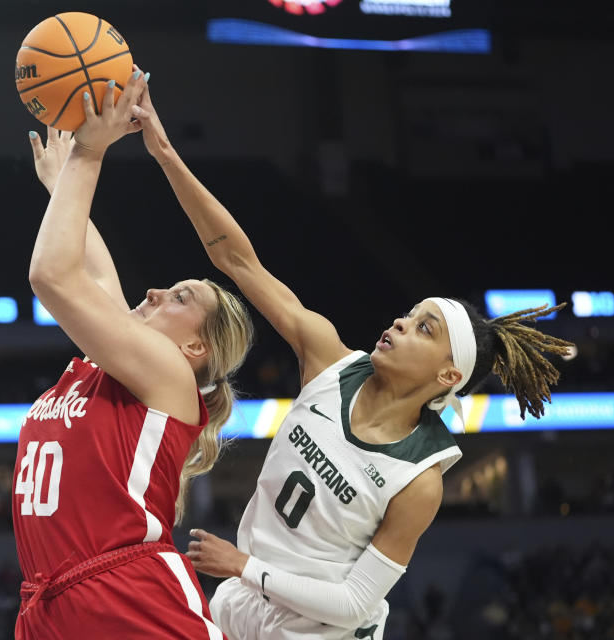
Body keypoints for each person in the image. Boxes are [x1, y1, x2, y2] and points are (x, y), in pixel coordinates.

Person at [130, 84, 574, 640]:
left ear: (448, 376)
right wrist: (165, 153)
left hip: (319, 630)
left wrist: (247, 567)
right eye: (409, 315)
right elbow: (236, 260)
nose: (399, 324)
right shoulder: (328, 357)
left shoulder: (420, 480)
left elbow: (352, 602)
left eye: (422, 329)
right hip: (242, 600)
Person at [13, 70, 253, 640]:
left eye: (180, 296)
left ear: (196, 347)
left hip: (128, 598)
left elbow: (51, 275)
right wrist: (61, 184)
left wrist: (89, 158)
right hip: (52, 602)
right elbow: (94, 271)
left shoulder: (169, 376)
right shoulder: (116, 369)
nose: (154, 292)